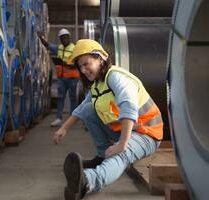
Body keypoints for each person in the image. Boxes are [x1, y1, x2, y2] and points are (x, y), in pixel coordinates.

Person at [52, 39, 163, 200]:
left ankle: (87, 181)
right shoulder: (98, 83)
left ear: (100, 58)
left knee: (121, 155)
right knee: (90, 110)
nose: (83, 70)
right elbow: (84, 107)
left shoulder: (116, 77)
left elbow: (128, 107)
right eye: (80, 67)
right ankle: (102, 156)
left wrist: (123, 144)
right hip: (128, 130)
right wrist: (64, 128)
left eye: (86, 64)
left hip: (147, 134)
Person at [38, 29, 80, 127]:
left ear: (69, 37)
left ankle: (72, 118)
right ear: (60, 39)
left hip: (72, 78)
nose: (64, 39)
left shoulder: (74, 49)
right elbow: (48, 45)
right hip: (61, 78)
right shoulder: (59, 48)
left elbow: (78, 63)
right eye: (62, 38)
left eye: (66, 37)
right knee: (60, 98)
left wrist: (69, 65)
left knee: (73, 98)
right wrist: (40, 38)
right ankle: (58, 119)